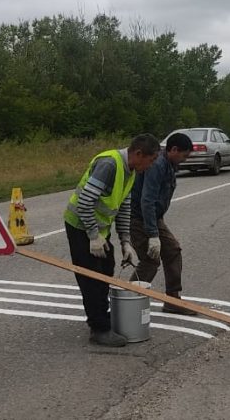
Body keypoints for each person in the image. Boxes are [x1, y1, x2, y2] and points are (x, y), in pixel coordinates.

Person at [64, 134, 160, 347]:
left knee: (106, 268)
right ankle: (99, 329)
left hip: (98, 230)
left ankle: (101, 317)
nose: (152, 165)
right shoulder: (109, 165)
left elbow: (123, 206)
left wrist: (126, 241)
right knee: (91, 277)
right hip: (80, 226)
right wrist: (93, 236)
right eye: (151, 160)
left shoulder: (131, 170)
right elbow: (85, 201)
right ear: (138, 154)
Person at [129, 132, 195, 315]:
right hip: (138, 218)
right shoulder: (157, 165)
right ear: (174, 150)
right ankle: (130, 300)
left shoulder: (169, 164)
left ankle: (172, 300)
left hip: (153, 219)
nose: (184, 160)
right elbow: (147, 200)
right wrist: (152, 234)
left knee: (172, 250)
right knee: (150, 260)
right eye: (183, 155)